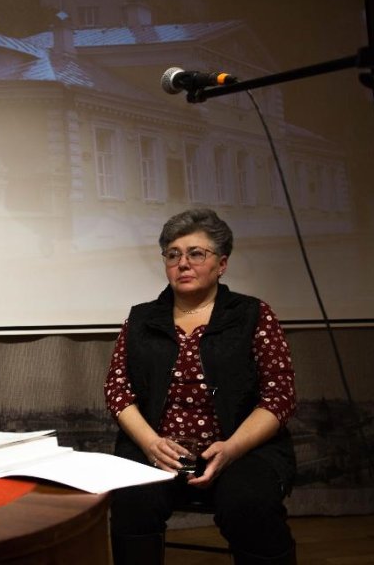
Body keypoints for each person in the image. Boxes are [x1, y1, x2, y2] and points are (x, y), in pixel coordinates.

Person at [103, 208, 297, 565]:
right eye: (173, 255)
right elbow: (117, 390)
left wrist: (232, 448)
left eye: (196, 253)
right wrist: (150, 444)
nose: (182, 263)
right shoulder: (142, 318)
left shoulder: (253, 315)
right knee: (131, 499)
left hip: (242, 448)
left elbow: (279, 395)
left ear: (221, 264)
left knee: (248, 503)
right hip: (157, 447)